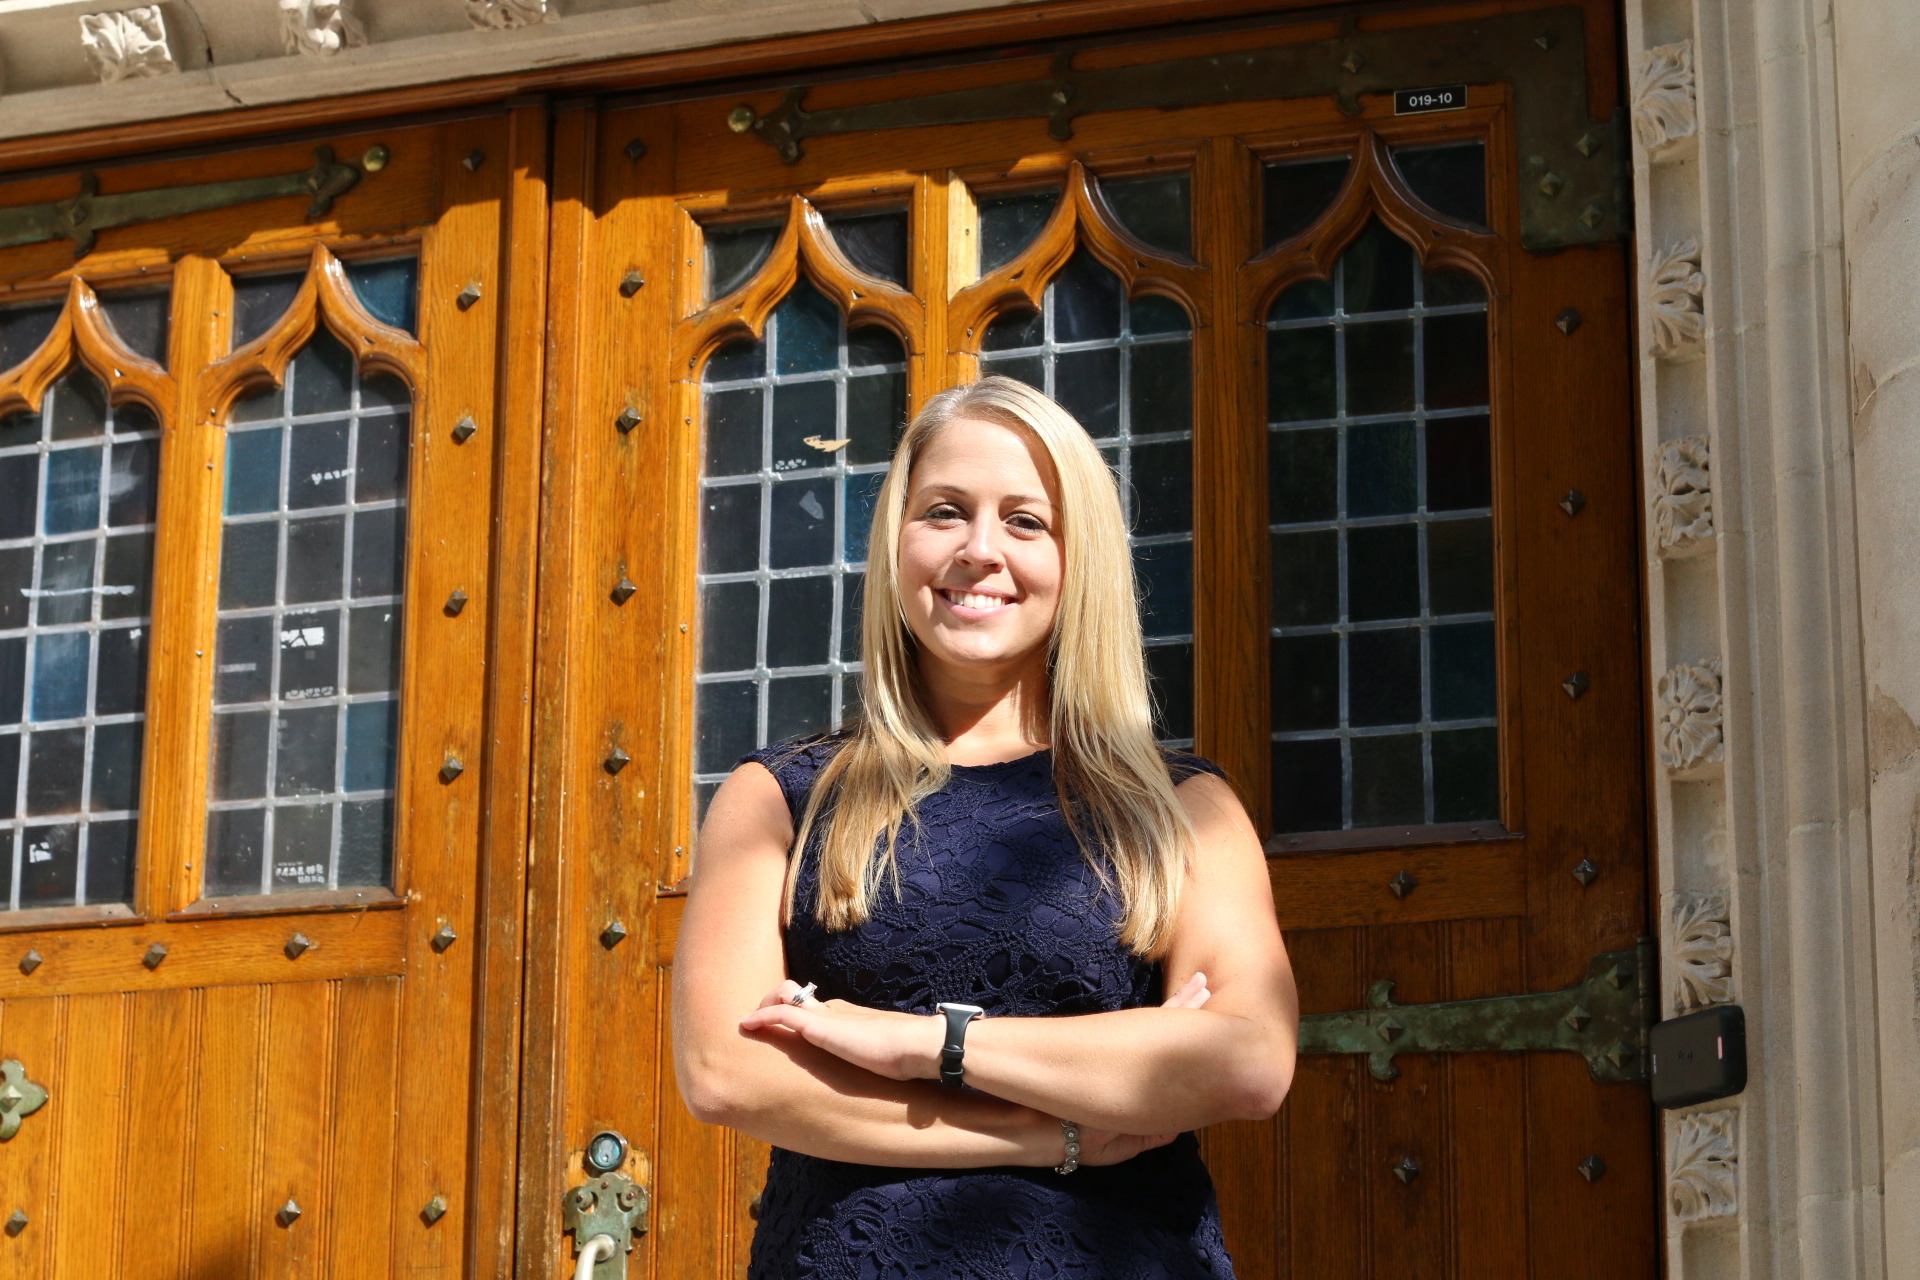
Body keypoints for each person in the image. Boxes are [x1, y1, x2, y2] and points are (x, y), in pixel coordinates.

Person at [672, 375, 1298, 1279]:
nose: (979, 550)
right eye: (944, 512)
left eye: (1025, 521)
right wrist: (1056, 1132)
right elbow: (726, 1073)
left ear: (1078, 557)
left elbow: (1245, 1059)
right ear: (895, 543)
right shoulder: (783, 799)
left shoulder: (1183, 809)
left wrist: (923, 1043)